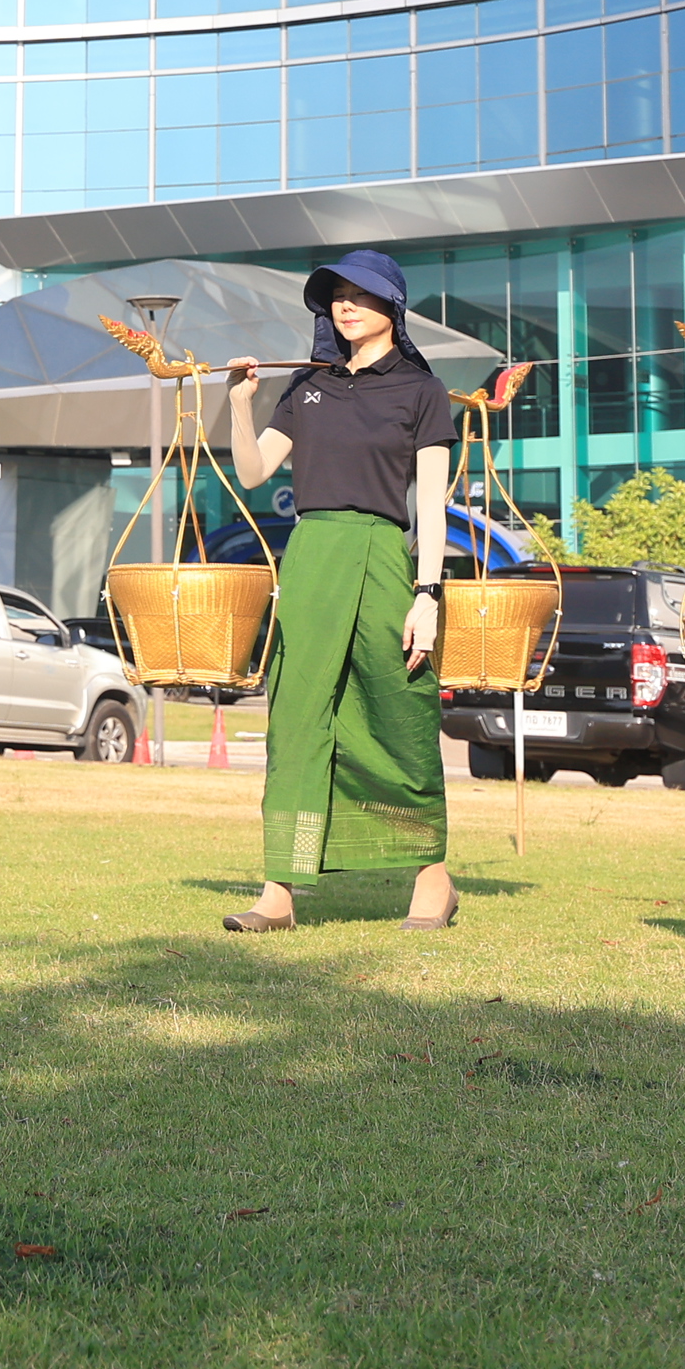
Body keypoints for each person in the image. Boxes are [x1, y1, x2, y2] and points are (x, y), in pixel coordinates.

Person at [219, 250, 458, 935]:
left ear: (393, 308)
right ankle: (279, 890)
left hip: (384, 556)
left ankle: (432, 877)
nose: (345, 305)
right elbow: (255, 471)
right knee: (297, 716)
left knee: (397, 710)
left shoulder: (422, 390)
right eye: (337, 295)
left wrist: (427, 595)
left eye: (362, 294)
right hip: (312, 556)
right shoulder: (307, 386)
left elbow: (432, 506)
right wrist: (239, 405)